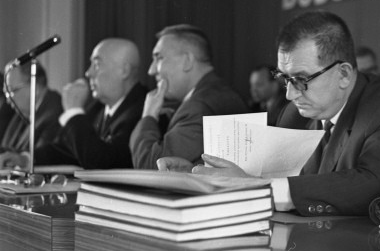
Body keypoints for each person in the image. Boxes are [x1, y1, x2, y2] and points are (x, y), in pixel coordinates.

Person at [158, 11, 380, 216]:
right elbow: (261, 173)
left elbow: (370, 183)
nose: (289, 94)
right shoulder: (296, 113)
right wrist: (196, 171)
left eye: (301, 78)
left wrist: (256, 189)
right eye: (284, 78)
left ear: (343, 74)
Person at [0, 38, 146, 169]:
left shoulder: (143, 109)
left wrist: (74, 112)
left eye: (96, 64)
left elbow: (103, 161)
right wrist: (25, 159)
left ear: (124, 70)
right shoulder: (98, 108)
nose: (88, 73)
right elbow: (67, 150)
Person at [130, 24, 248, 169]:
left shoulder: (198, 107)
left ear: (187, 61)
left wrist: (149, 115)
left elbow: (149, 166)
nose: (151, 70)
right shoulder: (216, 93)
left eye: (159, 58)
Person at [0, 62, 62, 153]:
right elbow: (6, 150)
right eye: (6, 93)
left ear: (35, 87)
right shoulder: (22, 112)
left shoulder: (55, 115)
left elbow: (40, 159)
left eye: (12, 91)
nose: (8, 100)